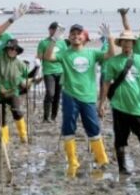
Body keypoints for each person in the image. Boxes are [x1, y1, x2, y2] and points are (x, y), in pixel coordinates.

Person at [46, 23, 114, 176]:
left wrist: (109, 38)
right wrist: (54, 39)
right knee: (68, 128)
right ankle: (72, 161)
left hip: (88, 96)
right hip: (70, 95)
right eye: (73, 34)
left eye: (79, 34)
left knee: (93, 128)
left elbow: (110, 55)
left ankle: (102, 159)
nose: (76, 36)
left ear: (85, 38)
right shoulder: (65, 53)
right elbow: (48, 57)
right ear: (69, 37)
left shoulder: (92, 53)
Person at [99, 29, 140, 173]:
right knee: (120, 139)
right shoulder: (113, 61)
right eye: (124, 41)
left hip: (137, 106)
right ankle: (122, 168)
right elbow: (106, 83)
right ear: (120, 43)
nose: (127, 44)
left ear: (134, 43)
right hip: (119, 106)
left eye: (130, 41)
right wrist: (102, 103)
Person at [0, 39, 32, 144]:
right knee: (1, 117)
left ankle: (23, 136)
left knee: (16, 111)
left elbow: (29, 75)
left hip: (13, 91)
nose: (12, 51)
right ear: (6, 50)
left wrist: (37, 67)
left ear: (17, 51)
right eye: (10, 49)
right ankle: (4, 140)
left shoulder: (20, 63)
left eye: (15, 49)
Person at [36, 22, 65, 122]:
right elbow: (39, 56)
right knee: (50, 93)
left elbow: (65, 57)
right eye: (53, 30)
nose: (54, 32)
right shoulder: (43, 42)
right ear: (50, 30)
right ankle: (46, 117)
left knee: (57, 95)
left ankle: (53, 116)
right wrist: (49, 58)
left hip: (60, 71)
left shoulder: (62, 43)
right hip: (48, 71)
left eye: (57, 30)